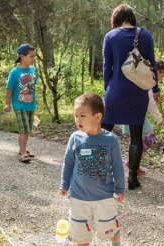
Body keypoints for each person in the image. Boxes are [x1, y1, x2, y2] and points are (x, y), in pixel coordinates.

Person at [101, 4, 160, 190]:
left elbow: (106, 67)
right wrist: (155, 88)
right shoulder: (145, 35)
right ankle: (132, 178)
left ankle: (101, 173)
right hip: (138, 93)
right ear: (132, 18)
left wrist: (107, 90)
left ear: (116, 20)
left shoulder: (110, 36)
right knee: (136, 137)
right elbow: (152, 65)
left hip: (115, 91)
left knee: (103, 133)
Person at [59, 92, 125, 246]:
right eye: (76, 115)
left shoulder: (110, 140)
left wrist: (120, 188)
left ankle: (116, 243)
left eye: (82, 116)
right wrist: (64, 184)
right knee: (80, 235)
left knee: (109, 228)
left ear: (97, 117)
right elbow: (68, 162)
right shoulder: (75, 138)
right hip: (78, 197)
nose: (77, 120)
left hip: (105, 197)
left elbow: (117, 166)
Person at [4, 43, 37, 163]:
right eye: (31, 56)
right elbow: (9, 89)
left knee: (28, 129)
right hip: (19, 105)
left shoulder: (33, 70)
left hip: (31, 105)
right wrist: (8, 104)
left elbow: (33, 87)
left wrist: (35, 102)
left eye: (34, 56)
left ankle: (23, 149)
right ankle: (23, 153)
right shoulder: (15, 72)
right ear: (23, 56)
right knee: (23, 129)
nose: (33, 59)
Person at [136, 60, 164, 176]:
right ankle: (133, 163)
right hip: (137, 115)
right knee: (149, 137)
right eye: (162, 75)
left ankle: (135, 164)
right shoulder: (150, 82)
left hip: (135, 114)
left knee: (139, 140)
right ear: (158, 71)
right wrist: (159, 118)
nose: (162, 78)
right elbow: (150, 103)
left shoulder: (144, 79)